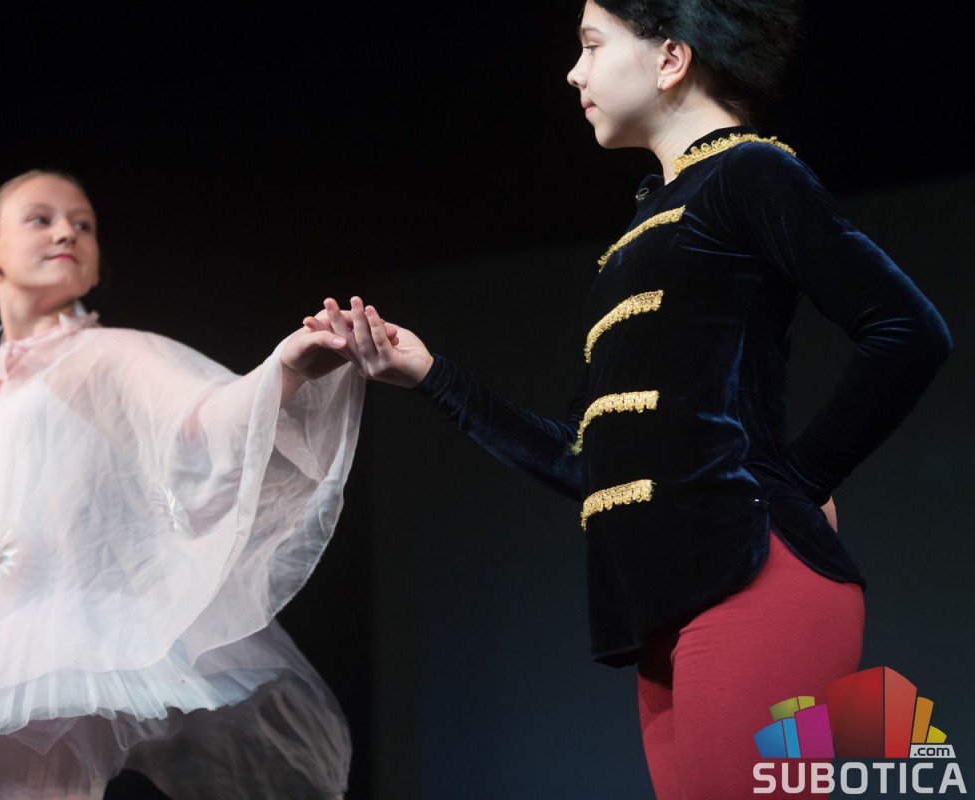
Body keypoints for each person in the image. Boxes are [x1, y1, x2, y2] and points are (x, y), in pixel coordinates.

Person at [308, 1, 952, 797]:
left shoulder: (752, 173)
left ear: (671, 58)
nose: (573, 72)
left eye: (591, 45)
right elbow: (588, 461)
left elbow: (909, 332)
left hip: (752, 581)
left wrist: (799, 483)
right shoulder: (643, 228)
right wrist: (431, 374)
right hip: (663, 610)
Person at [0, 170, 366, 799]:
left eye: (83, 225)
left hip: (59, 649)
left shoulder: (105, 353)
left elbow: (198, 421)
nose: (67, 233)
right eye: (41, 218)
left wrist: (283, 370)